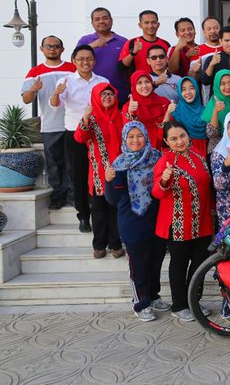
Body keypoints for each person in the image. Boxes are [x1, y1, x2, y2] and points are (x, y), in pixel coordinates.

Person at [152, 121, 215, 322]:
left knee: (199, 264)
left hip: (202, 221)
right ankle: (179, 305)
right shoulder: (166, 161)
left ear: (188, 135)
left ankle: (194, 301)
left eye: (182, 136)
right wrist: (164, 180)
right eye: (173, 138)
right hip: (178, 223)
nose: (179, 141)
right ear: (166, 142)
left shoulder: (198, 154)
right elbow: (156, 192)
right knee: (179, 265)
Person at [105, 121, 167, 321]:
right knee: (138, 265)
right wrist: (108, 181)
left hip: (156, 219)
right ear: (125, 139)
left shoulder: (157, 158)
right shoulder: (120, 164)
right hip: (132, 222)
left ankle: (153, 295)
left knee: (155, 261)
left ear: (146, 136)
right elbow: (112, 200)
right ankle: (140, 302)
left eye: (139, 135)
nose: (135, 140)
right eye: (130, 137)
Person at [50, 44, 108, 233]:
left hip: (98, 135)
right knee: (78, 174)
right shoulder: (66, 80)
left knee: (100, 174)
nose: (85, 62)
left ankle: (101, 211)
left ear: (94, 61)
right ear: (74, 61)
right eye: (81, 59)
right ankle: (83, 215)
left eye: (89, 58)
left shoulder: (102, 81)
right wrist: (56, 93)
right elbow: (55, 104)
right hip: (75, 134)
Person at [21, 35, 77, 209]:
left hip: (72, 124)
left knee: (72, 163)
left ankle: (73, 197)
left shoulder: (72, 69)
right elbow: (26, 100)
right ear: (42, 49)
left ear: (62, 49)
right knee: (54, 163)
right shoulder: (35, 72)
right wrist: (33, 89)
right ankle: (58, 196)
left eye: (56, 46)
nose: (52, 49)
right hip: (50, 125)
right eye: (48, 46)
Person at [74, 83, 124, 259]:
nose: (107, 97)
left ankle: (116, 244)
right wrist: (86, 119)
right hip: (98, 174)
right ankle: (99, 245)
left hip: (118, 172)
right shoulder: (92, 118)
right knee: (99, 211)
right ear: (96, 97)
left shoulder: (121, 116)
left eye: (110, 93)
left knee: (115, 210)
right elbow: (80, 137)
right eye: (103, 95)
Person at [77, 7, 129, 104]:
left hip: (119, 94)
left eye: (105, 18)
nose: (101, 21)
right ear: (92, 23)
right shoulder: (85, 40)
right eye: (97, 19)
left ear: (111, 20)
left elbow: (129, 67)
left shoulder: (123, 41)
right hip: (92, 94)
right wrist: (93, 45)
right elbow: (75, 58)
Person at [122, 71, 170, 149]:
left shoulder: (163, 102)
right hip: (141, 149)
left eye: (147, 82)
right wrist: (130, 112)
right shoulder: (128, 106)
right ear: (133, 86)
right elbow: (128, 133)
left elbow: (170, 128)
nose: (144, 86)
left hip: (163, 146)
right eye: (139, 83)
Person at [118, 10, 171, 76]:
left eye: (153, 22)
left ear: (158, 25)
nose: (150, 26)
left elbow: (170, 67)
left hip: (162, 84)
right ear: (140, 25)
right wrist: (133, 53)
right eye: (146, 23)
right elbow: (121, 67)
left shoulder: (165, 44)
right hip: (140, 84)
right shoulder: (131, 43)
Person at [203, 70, 230, 154]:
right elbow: (212, 134)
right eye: (222, 84)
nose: (227, 86)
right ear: (217, 85)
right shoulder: (213, 104)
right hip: (219, 152)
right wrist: (215, 112)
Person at [171, 77, 208, 158]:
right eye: (183, 89)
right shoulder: (176, 112)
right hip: (184, 153)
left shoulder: (205, 111)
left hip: (204, 150)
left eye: (191, 88)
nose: (188, 92)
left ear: (197, 89)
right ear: (179, 92)